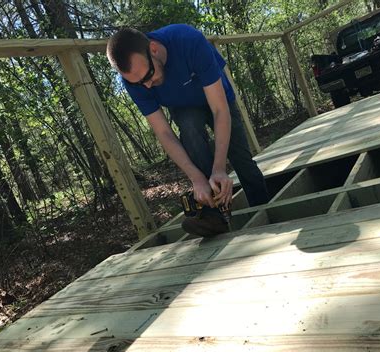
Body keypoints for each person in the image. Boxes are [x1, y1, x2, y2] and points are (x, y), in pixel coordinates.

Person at [106, 24, 269, 236]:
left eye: (147, 77)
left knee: (242, 159)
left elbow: (220, 110)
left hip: (219, 100)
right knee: (189, 127)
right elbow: (164, 133)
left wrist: (219, 168)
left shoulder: (188, 40)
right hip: (184, 107)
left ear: (153, 49)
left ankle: (265, 208)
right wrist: (196, 178)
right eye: (137, 83)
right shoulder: (135, 81)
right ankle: (213, 216)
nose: (146, 86)